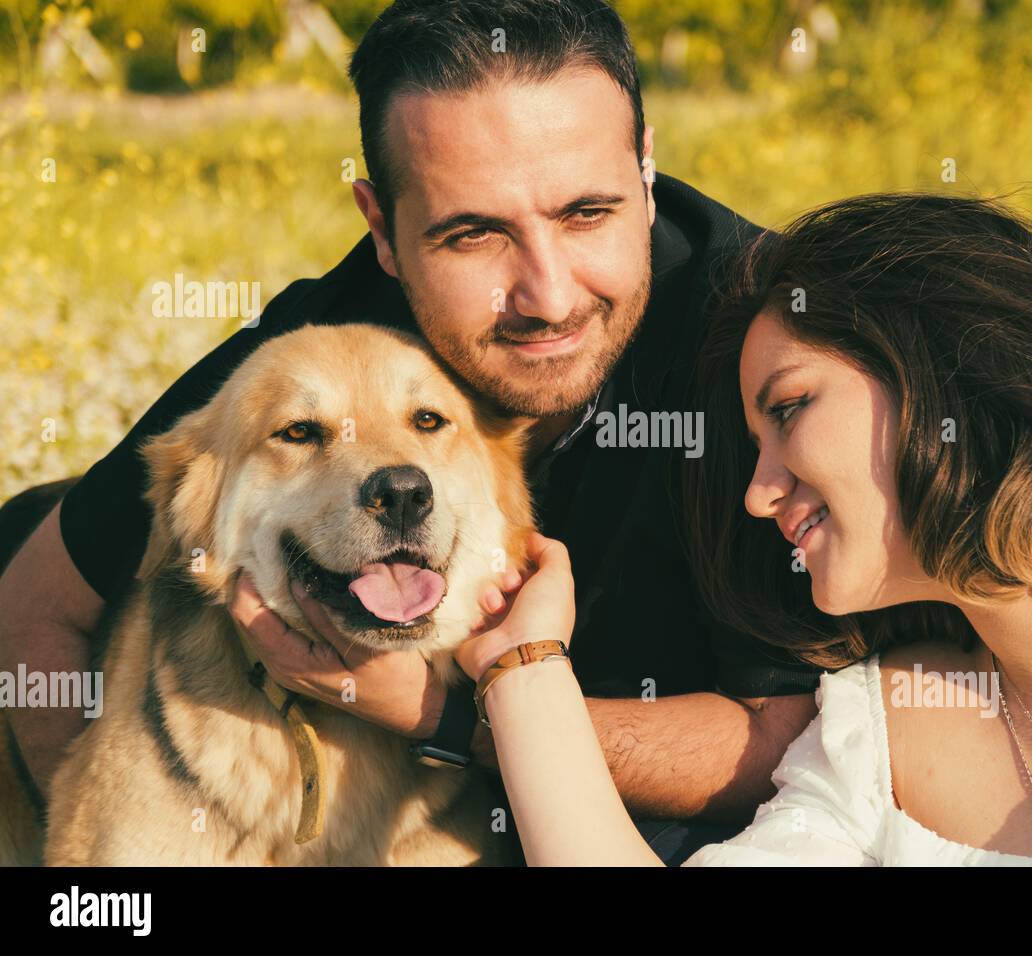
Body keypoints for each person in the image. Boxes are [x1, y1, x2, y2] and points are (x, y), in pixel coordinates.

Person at [0, 0, 824, 867]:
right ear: (382, 229)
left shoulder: (767, 350)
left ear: (647, 166)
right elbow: (36, 601)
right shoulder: (317, 347)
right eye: (473, 234)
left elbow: (795, 743)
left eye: (587, 212)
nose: (547, 296)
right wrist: (97, 841)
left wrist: (434, 713)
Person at [451, 192, 1032, 865]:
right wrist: (522, 670)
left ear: (943, 363)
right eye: (754, 446)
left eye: (790, 409)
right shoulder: (874, 731)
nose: (757, 493)